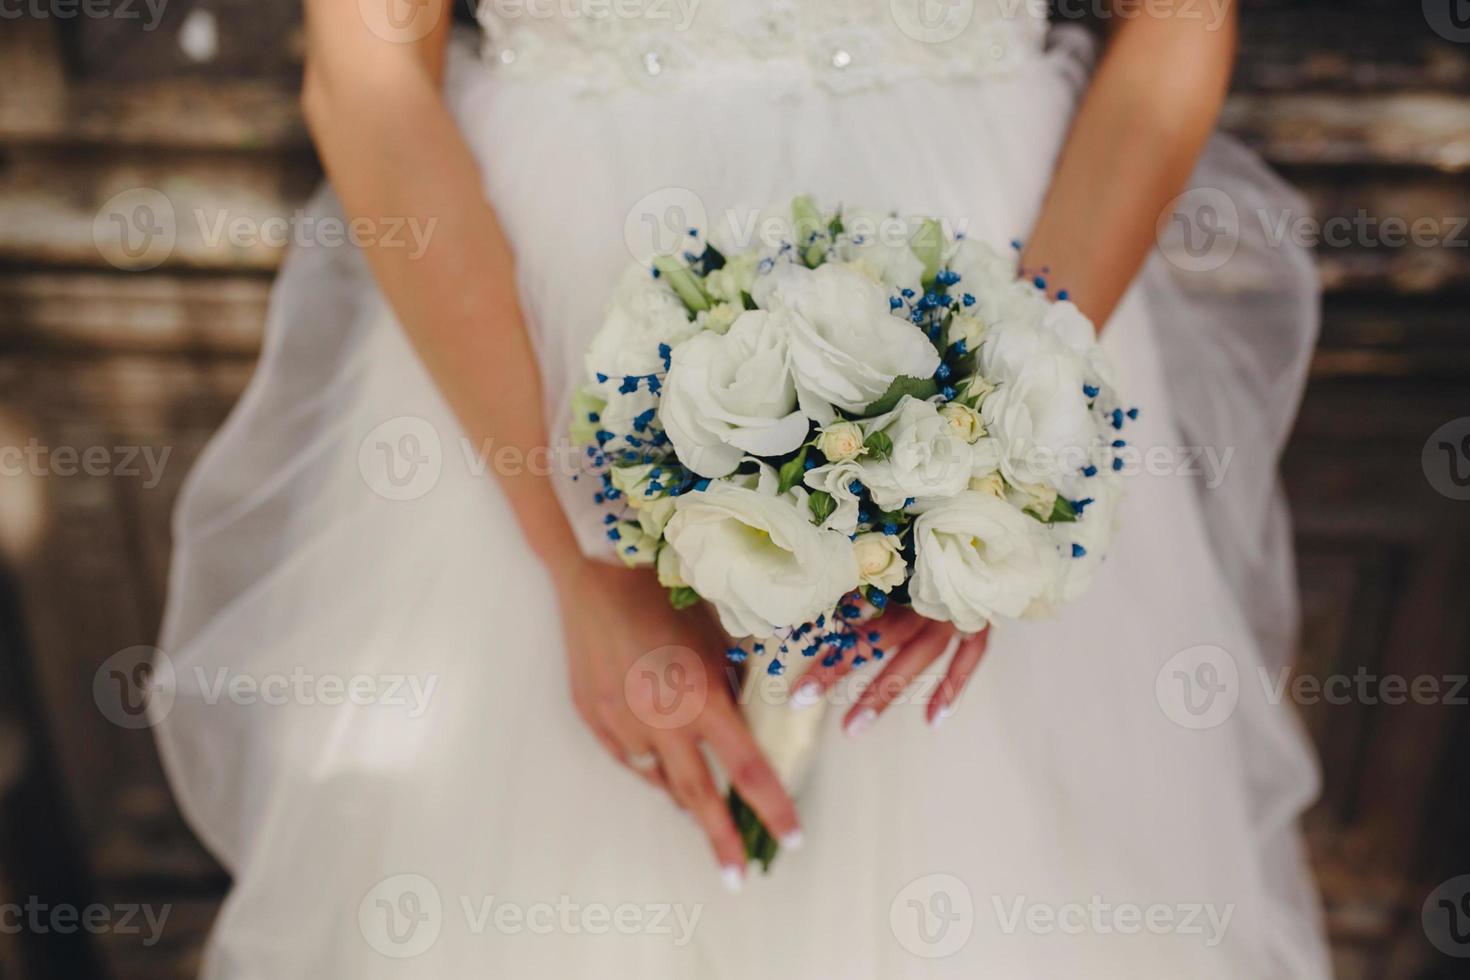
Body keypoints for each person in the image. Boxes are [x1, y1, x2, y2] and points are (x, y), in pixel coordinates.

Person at [154, 1, 1331, 975]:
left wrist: (1000, 446)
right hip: (543, 336)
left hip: (1000, 272)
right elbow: (367, 72)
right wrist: (574, 549)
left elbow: (1177, 28)